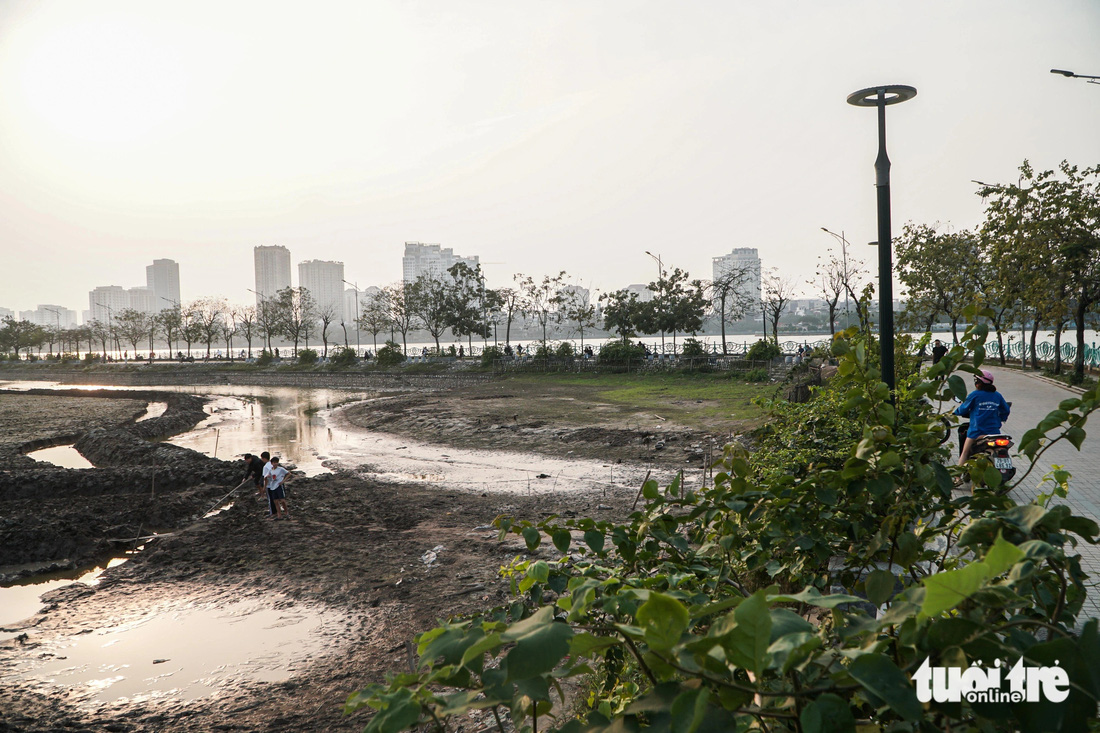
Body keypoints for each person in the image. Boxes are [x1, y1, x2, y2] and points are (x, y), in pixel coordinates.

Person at [955, 369, 1010, 466]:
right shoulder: (997, 395)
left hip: (977, 432)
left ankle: (957, 478)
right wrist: (1001, 418)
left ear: (978, 383)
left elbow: (963, 409)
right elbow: (1006, 410)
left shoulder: (975, 395)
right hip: (994, 432)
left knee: (965, 453)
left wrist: (955, 413)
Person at [259, 451, 275, 515]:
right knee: (275, 499)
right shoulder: (272, 464)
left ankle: (272, 513)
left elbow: (265, 478)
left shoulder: (265, 467)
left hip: (269, 485)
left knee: (270, 500)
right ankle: (276, 511)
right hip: (275, 484)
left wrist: (264, 487)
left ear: (264, 458)